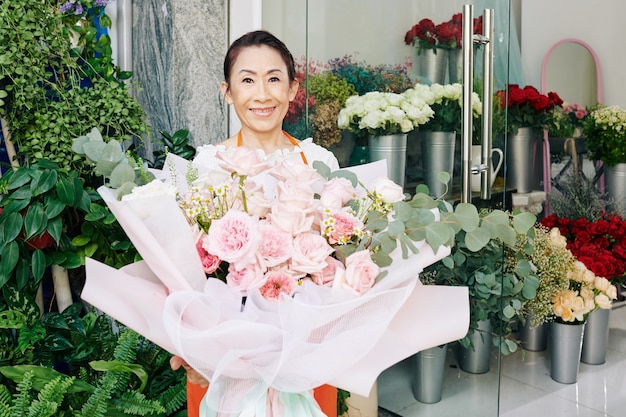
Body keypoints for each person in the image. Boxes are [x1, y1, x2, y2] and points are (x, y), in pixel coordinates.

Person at [170, 29, 340, 417]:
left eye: (274, 79)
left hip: (305, 359)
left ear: (293, 89)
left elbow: (339, 258)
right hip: (223, 360)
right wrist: (193, 346)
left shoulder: (318, 163)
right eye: (247, 80)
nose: (262, 94)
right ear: (227, 91)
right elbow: (184, 268)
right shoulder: (205, 168)